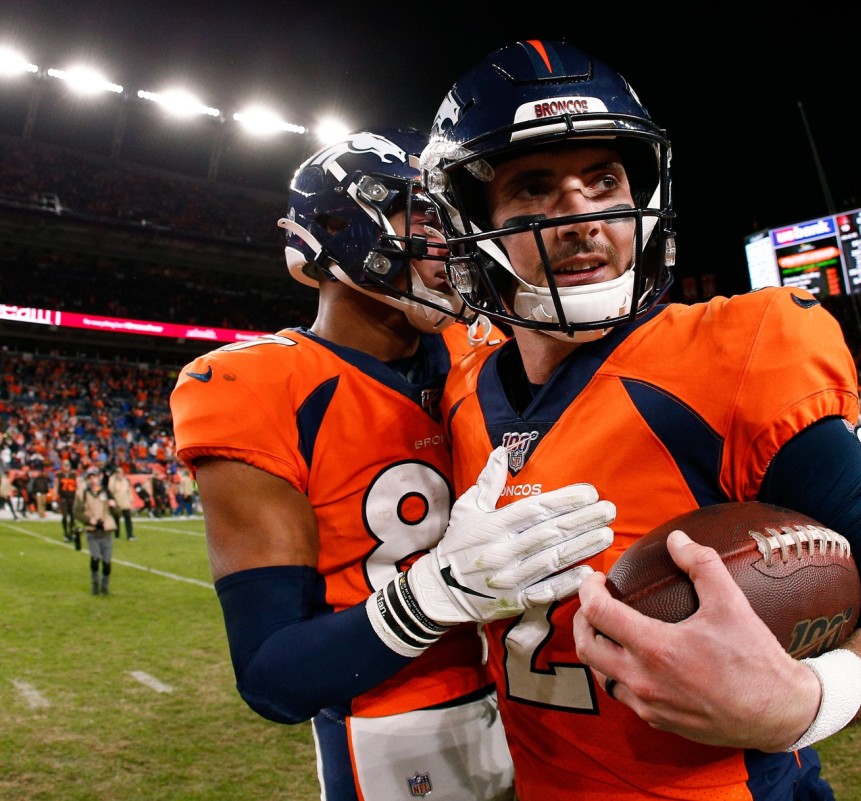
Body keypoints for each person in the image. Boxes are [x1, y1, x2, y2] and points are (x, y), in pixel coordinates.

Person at [421, 39, 861, 800]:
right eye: (535, 189)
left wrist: (808, 700)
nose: (581, 214)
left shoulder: (736, 354)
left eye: (603, 179)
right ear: (474, 224)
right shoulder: (464, 385)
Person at [169, 127, 615, 801]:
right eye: (430, 221)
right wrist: (433, 594)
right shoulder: (259, 382)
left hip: (546, 712)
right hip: (397, 736)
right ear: (344, 228)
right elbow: (271, 676)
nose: (453, 247)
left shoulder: (488, 356)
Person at [74, 469, 117, 595]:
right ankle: (95, 585)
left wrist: (114, 506)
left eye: (95, 477)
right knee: (95, 558)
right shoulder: (83, 493)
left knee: (107, 561)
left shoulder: (106, 492)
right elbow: (77, 512)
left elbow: (117, 513)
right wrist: (89, 520)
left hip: (106, 531)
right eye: (90, 478)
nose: (93, 480)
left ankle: (105, 586)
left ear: (99, 478)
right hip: (92, 532)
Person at [107, 466, 136, 540]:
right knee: (116, 520)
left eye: (121, 473)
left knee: (128, 519)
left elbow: (129, 491)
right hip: (117, 503)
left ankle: (130, 535)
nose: (120, 475)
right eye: (118, 473)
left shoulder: (125, 481)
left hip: (125, 502)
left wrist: (131, 500)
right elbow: (110, 490)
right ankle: (117, 535)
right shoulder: (113, 481)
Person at [58, 468, 79, 541]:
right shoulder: (60, 475)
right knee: (64, 516)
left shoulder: (73, 475)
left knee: (73, 517)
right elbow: (57, 486)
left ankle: (72, 533)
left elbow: (77, 487)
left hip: (72, 498)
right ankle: (66, 533)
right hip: (64, 498)